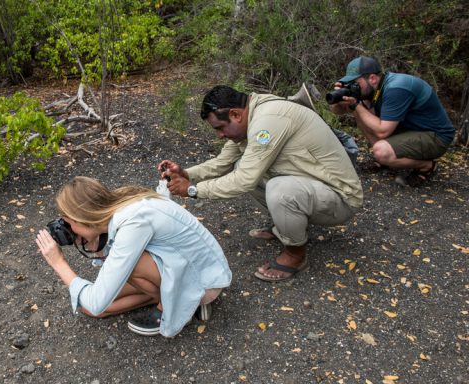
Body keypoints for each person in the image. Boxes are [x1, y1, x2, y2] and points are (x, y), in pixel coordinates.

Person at [159, 85, 363, 282]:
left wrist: (193, 190)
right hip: (313, 187)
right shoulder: (252, 116)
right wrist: (186, 174)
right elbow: (222, 163)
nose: (220, 135)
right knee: (243, 165)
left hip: (341, 197)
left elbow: (243, 180)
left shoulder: (267, 121)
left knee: (278, 189)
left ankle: (295, 254)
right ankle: (287, 226)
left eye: (220, 128)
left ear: (236, 114)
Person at [35, 176, 231, 337]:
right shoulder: (122, 204)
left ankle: (183, 304)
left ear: (83, 218)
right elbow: (94, 306)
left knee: (116, 279)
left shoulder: (133, 222)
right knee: (89, 306)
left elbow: (96, 301)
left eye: (69, 223)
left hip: (205, 281)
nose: (69, 229)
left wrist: (58, 262)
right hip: (183, 264)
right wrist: (92, 241)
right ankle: (183, 302)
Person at [330, 56, 455, 187]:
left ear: (372, 78)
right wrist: (340, 97)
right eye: (349, 83)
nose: (353, 87)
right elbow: (337, 111)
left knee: (381, 151)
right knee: (361, 113)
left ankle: (427, 165)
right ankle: (386, 160)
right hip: (412, 130)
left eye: (355, 83)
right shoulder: (373, 88)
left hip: (437, 137)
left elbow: (382, 132)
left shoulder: (396, 88)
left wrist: (356, 105)